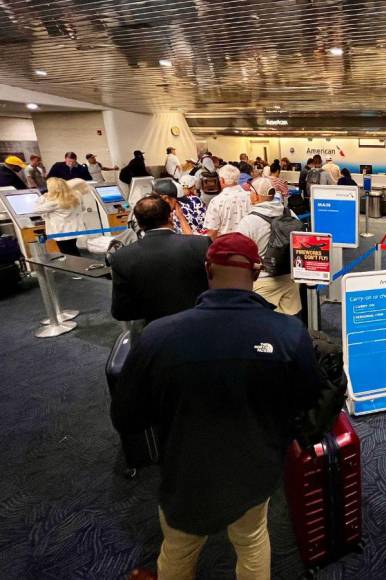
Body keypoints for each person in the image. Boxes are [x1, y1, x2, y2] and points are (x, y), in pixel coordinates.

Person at [111, 232, 344, 580]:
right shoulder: (289, 334)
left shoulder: (157, 336)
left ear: (207, 268)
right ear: (257, 269)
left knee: (178, 549)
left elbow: (126, 417)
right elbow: (307, 402)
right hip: (255, 469)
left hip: (185, 474)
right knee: (251, 541)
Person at [110, 195, 210, 324]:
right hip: (201, 323)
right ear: (170, 217)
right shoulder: (201, 245)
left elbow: (121, 311)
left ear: (139, 223)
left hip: (153, 329)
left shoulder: (121, 257)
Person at [236, 177, 302, 315]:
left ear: (256, 195)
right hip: (290, 278)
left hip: (263, 281)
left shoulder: (249, 221)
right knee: (291, 323)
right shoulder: (289, 213)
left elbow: (240, 255)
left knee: (265, 327)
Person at [34, 177, 86, 256]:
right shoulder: (77, 196)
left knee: (68, 253)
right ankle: (79, 266)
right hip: (74, 229)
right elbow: (83, 208)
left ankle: (75, 267)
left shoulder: (54, 202)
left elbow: (35, 209)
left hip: (61, 232)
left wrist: (44, 197)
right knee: (73, 249)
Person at [203, 164, 252, 240]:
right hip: (248, 243)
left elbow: (212, 231)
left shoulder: (216, 201)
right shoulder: (250, 196)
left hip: (225, 246)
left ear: (222, 180)